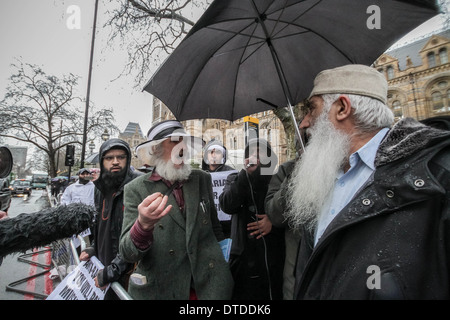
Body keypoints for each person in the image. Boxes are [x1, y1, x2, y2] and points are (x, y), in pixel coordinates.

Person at [284, 64, 450, 299]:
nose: (304, 122)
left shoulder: (439, 173)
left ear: (342, 108)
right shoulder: (320, 177)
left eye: (312, 109)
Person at [119, 120, 233, 300]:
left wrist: (223, 263)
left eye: (184, 141)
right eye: (174, 141)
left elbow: (214, 227)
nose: (182, 146)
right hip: (163, 288)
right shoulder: (136, 189)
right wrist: (143, 226)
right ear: (155, 149)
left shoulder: (201, 179)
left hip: (208, 286)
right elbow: (127, 253)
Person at [219, 138, 285, 300]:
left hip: (271, 256)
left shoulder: (277, 179)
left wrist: (272, 221)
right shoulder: (235, 178)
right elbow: (227, 205)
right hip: (243, 259)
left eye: (260, 152)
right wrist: (245, 175)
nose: (255, 156)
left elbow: (288, 210)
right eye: (251, 153)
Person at [80, 138, 141, 299]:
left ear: (128, 159)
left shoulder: (138, 185)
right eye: (109, 158)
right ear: (102, 161)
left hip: (126, 271)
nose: (115, 162)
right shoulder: (100, 188)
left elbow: (138, 235)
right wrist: (93, 247)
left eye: (121, 157)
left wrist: (114, 270)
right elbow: (101, 225)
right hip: (104, 264)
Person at [202, 139, 235, 238]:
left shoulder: (232, 173)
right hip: (208, 224)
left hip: (228, 225)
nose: (214, 155)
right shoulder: (201, 175)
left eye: (218, 152)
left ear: (223, 156)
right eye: (211, 152)